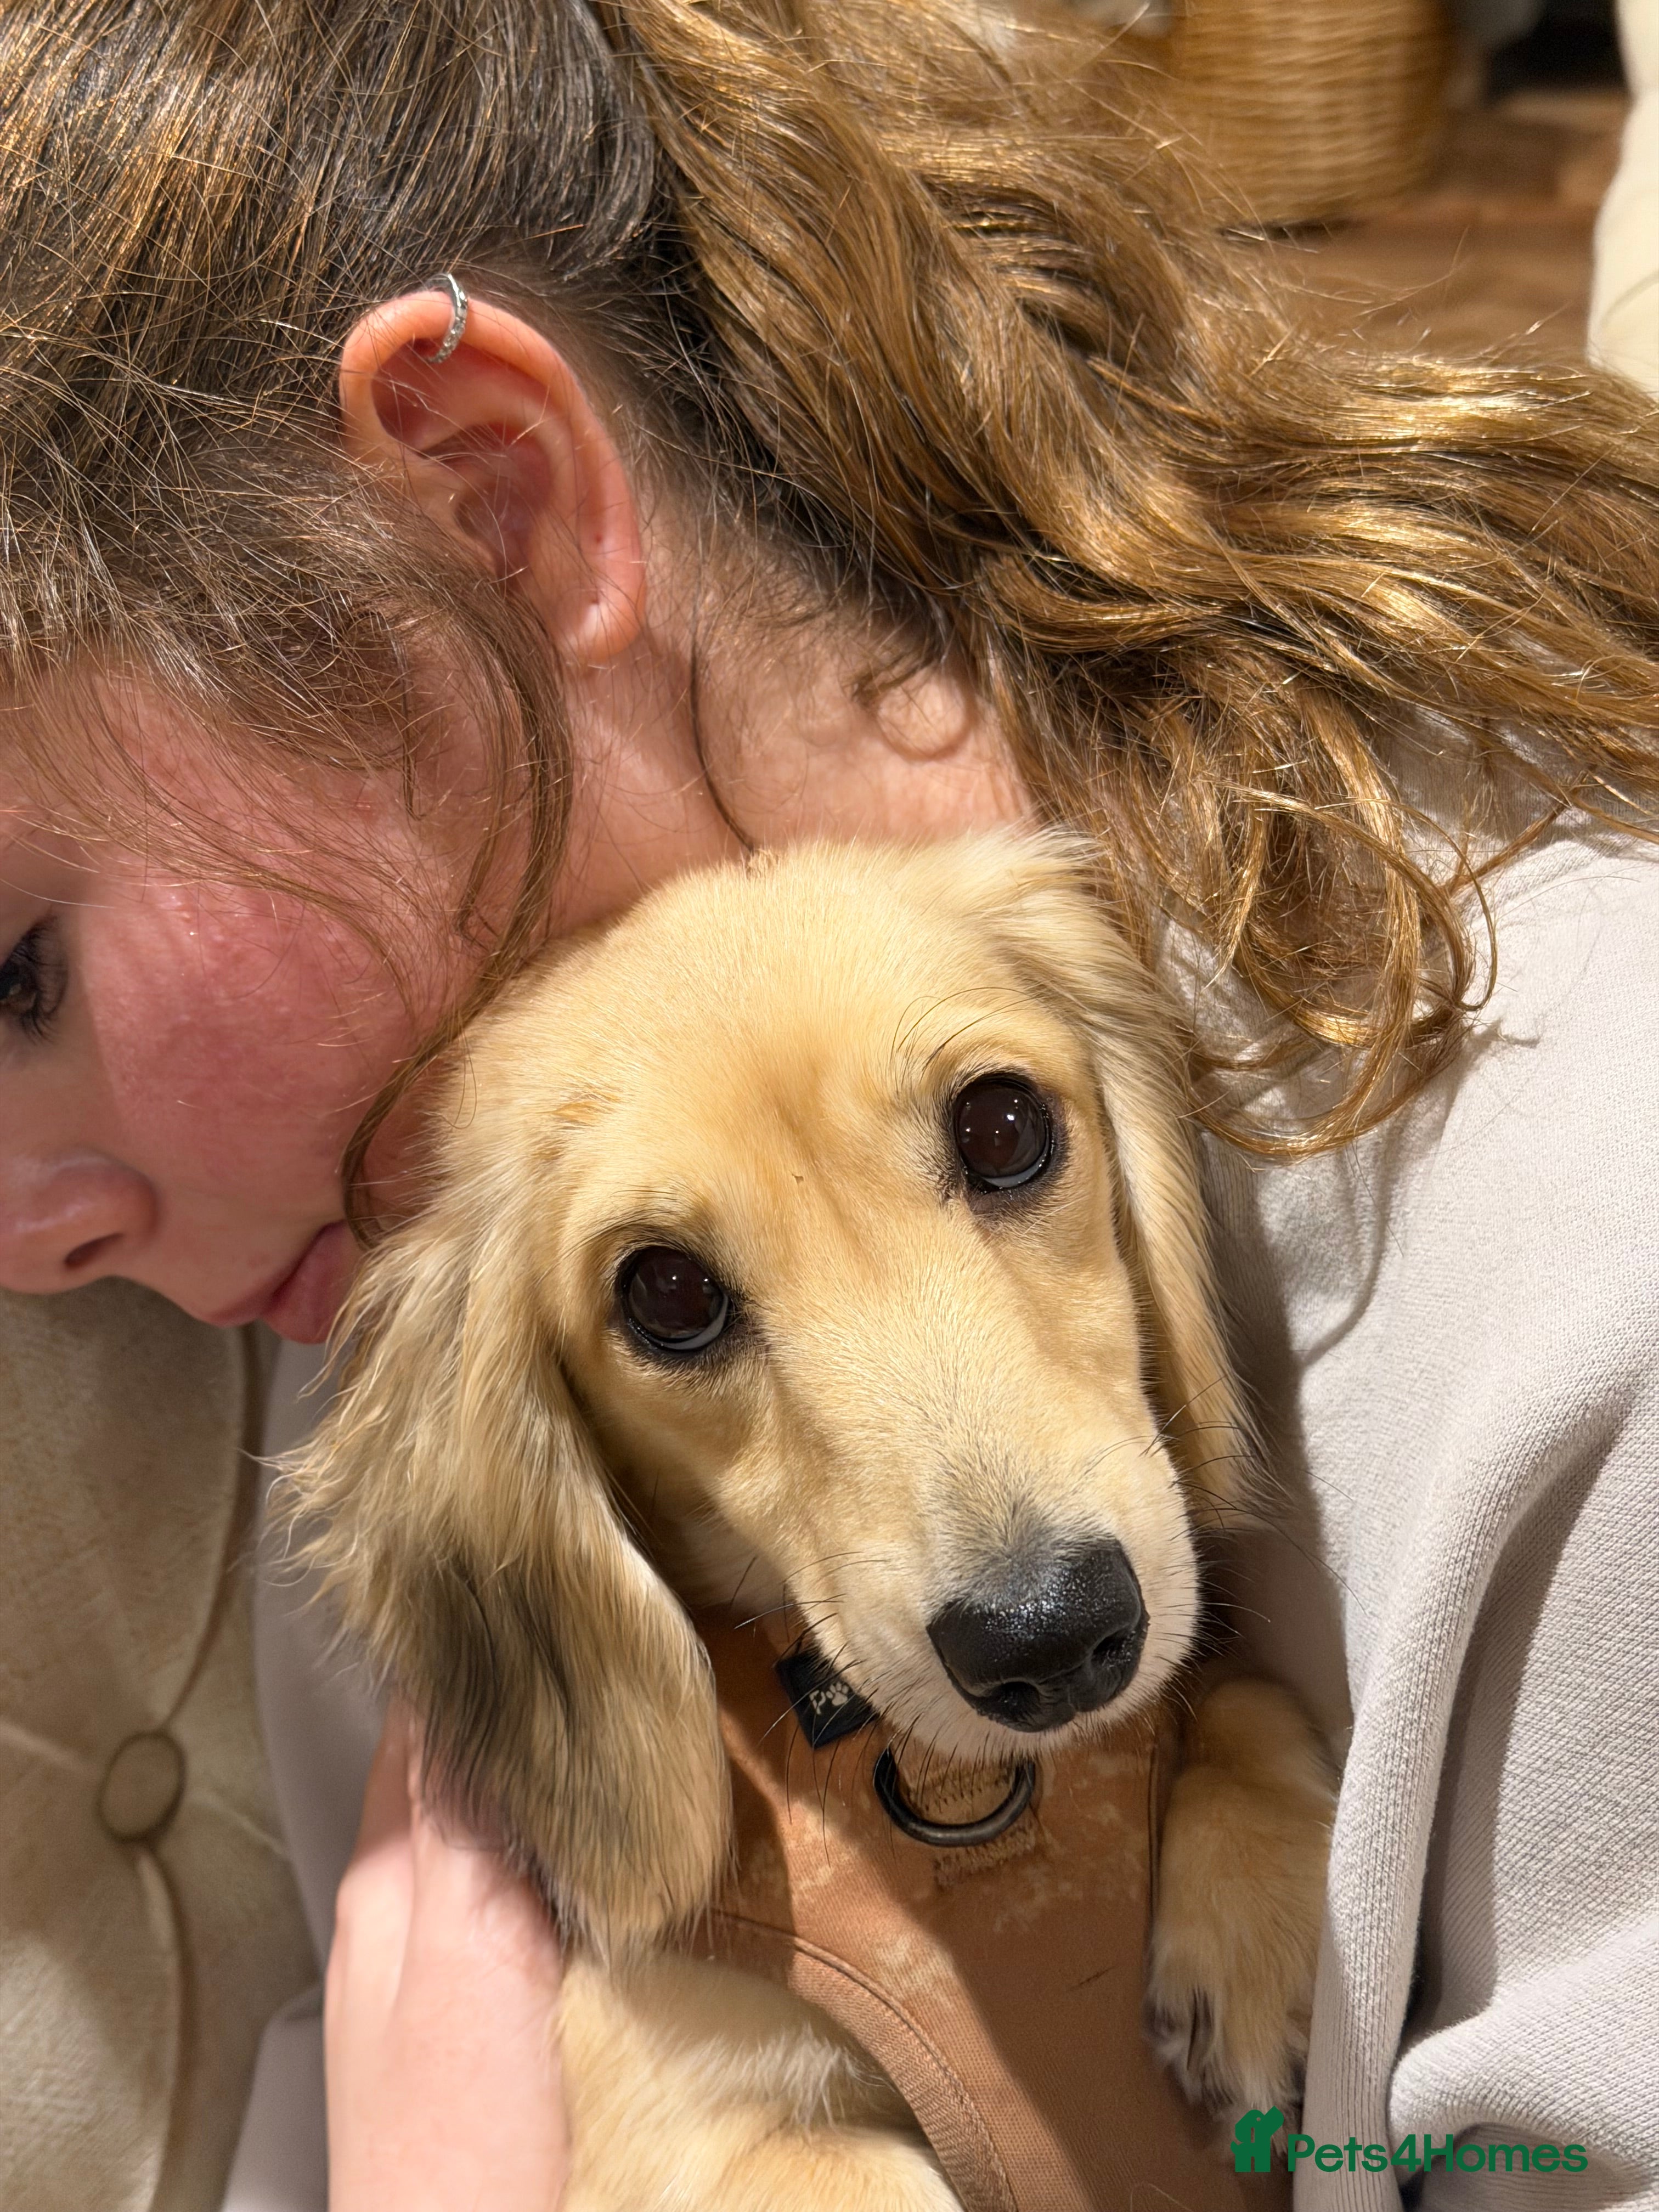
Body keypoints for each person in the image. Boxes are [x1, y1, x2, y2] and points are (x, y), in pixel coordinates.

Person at [2, 1, 1658, 2204]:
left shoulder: (1591, 1232)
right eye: (683, 1298)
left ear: (486, 498)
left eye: (17, 975)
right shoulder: (430, 1292)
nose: (20, 1237)